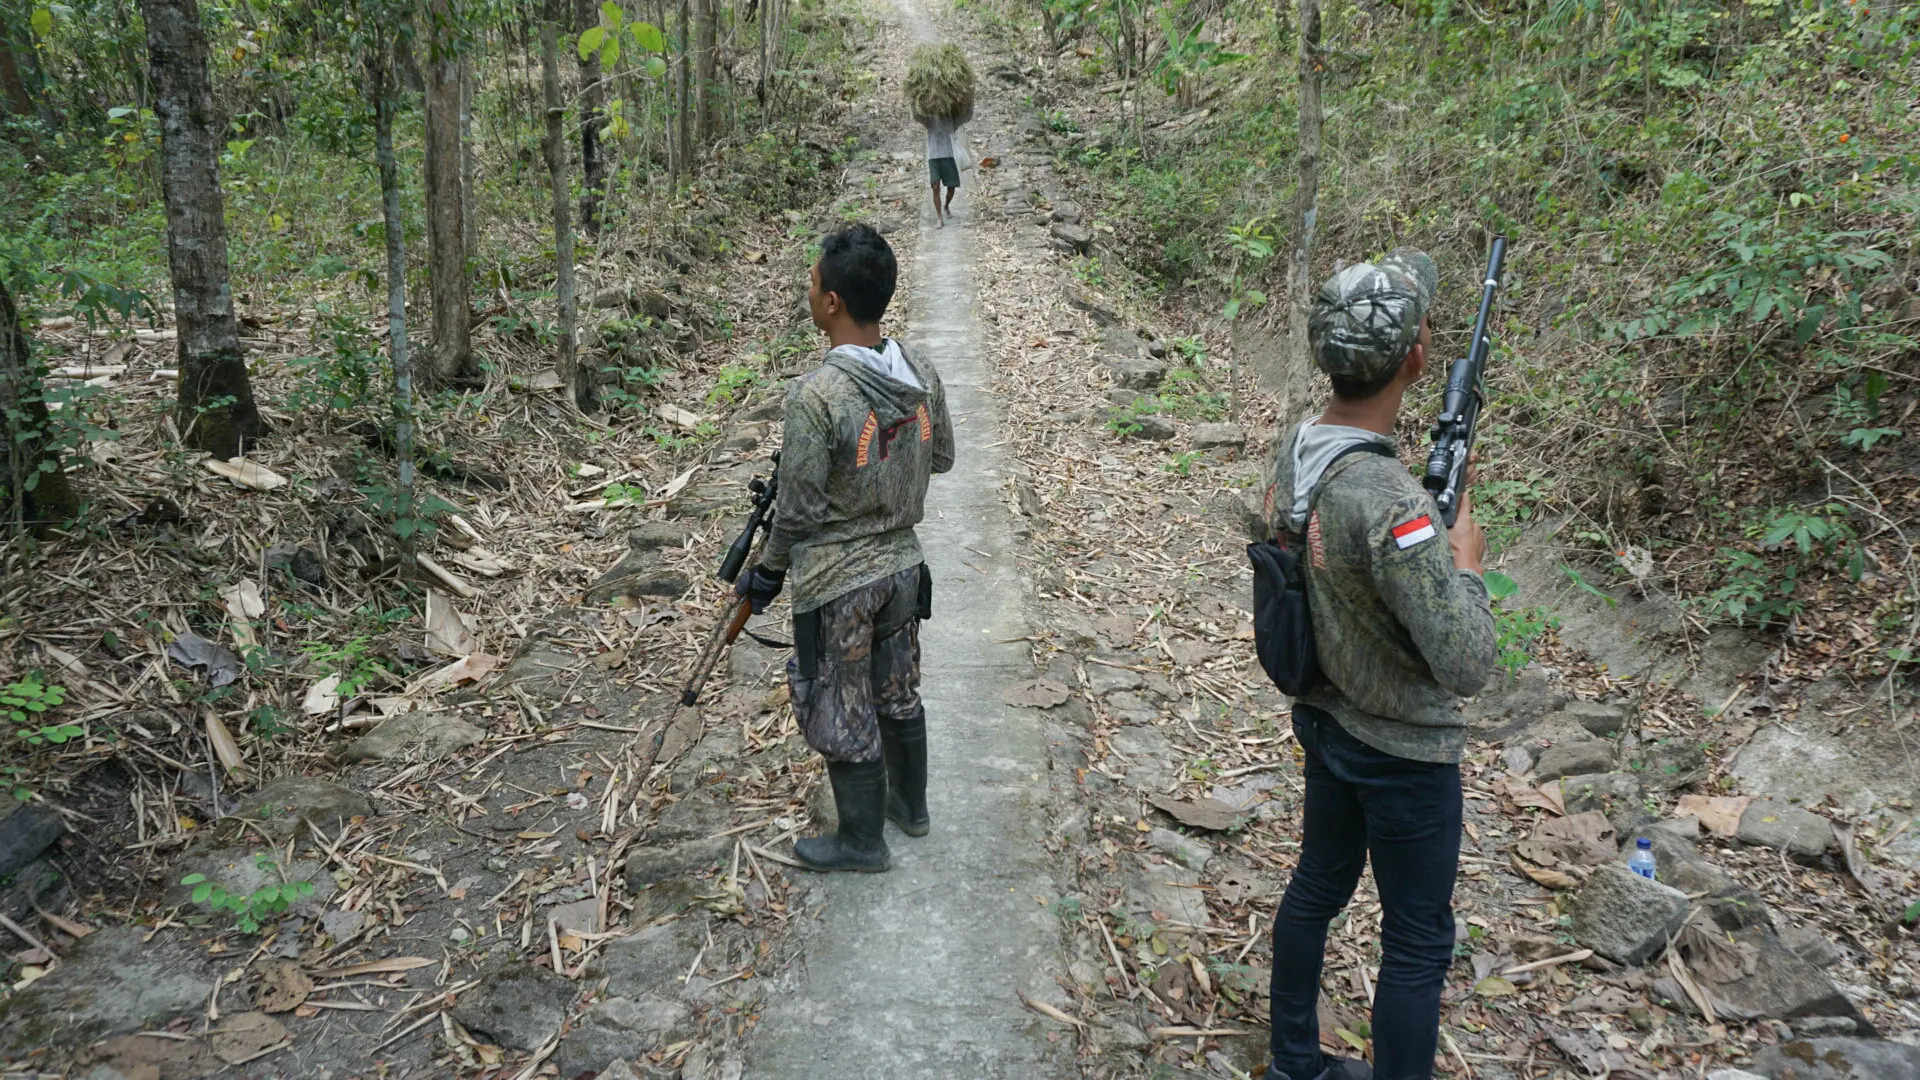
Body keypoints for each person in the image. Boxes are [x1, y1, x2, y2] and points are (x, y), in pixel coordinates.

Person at [1255, 250, 1498, 1080]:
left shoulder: (1298, 452)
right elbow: (1466, 662)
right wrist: (1464, 562)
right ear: (1417, 359)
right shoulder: (1391, 503)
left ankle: (1294, 1060)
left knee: (1316, 887)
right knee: (1418, 941)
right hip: (1403, 752)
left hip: (1325, 721)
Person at [737, 223, 955, 873]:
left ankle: (862, 842)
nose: (809, 292)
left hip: (840, 583)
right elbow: (939, 456)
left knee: (841, 702)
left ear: (831, 301)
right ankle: (909, 808)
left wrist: (767, 572)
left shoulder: (815, 396)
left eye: (812, 283)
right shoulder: (921, 369)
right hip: (906, 571)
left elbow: (799, 510)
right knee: (897, 688)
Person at [914, 102, 971, 227]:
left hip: (948, 156)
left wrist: (969, 101)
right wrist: (913, 101)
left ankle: (946, 206)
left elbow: (967, 116)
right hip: (933, 158)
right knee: (935, 187)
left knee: (951, 187)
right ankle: (939, 218)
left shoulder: (951, 118)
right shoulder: (929, 119)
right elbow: (916, 116)